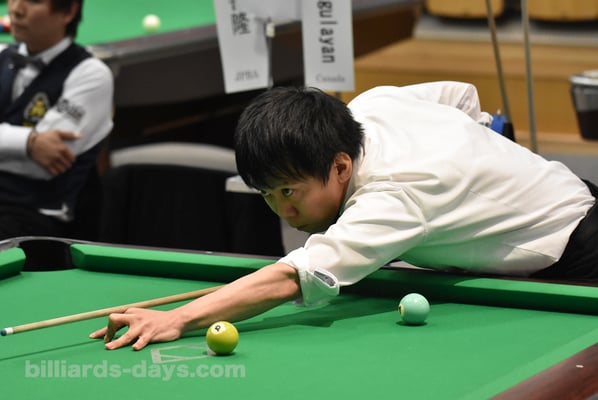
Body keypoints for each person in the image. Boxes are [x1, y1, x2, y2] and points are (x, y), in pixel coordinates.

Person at [91, 82, 597, 351]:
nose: (283, 210)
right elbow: (462, 95)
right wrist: (487, 169)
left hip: (577, 248)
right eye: (268, 195)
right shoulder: (370, 106)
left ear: (339, 166)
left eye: (290, 191)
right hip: (572, 191)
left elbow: (295, 276)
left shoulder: (393, 195)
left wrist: (178, 317)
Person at [0, 0, 113, 239]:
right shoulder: (2, 56)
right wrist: (28, 142)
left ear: (69, 11)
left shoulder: (91, 74)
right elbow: (32, 154)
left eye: (33, 1)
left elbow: (44, 165)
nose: (16, 9)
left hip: (39, 224)